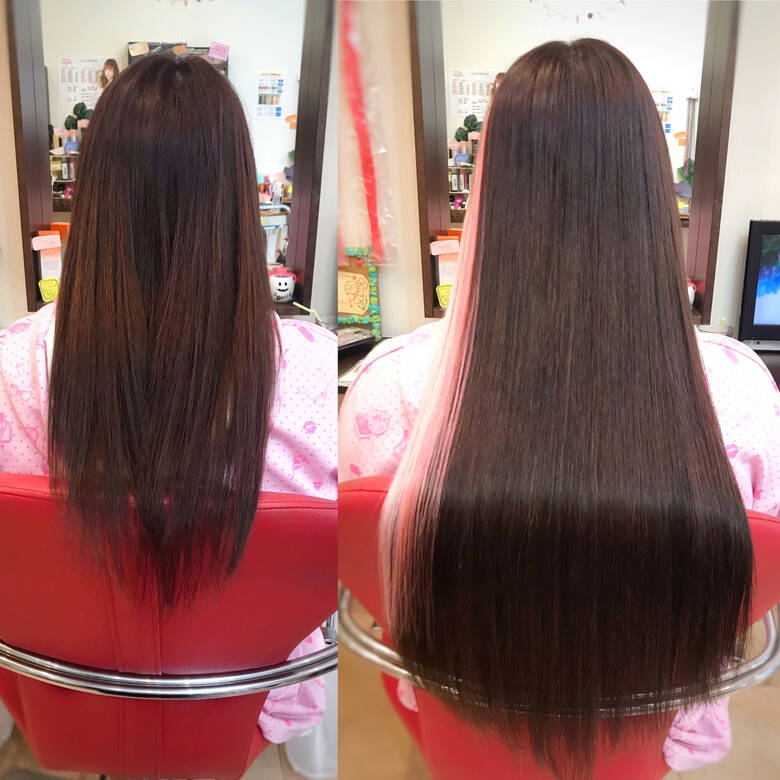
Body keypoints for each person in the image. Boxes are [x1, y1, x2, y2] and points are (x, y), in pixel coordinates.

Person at [339, 39, 780, 774]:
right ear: (653, 192)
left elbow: (380, 578)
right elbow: (749, 583)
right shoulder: (743, 394)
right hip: (645, 733)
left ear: (488, 189)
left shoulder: (388, 386)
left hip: (462, 723)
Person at [0, 53, 335, 744]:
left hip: (66, 699)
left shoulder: (11, 368)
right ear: (237, 201)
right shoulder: (313, 373)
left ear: (92, 199)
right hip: (236, 709)